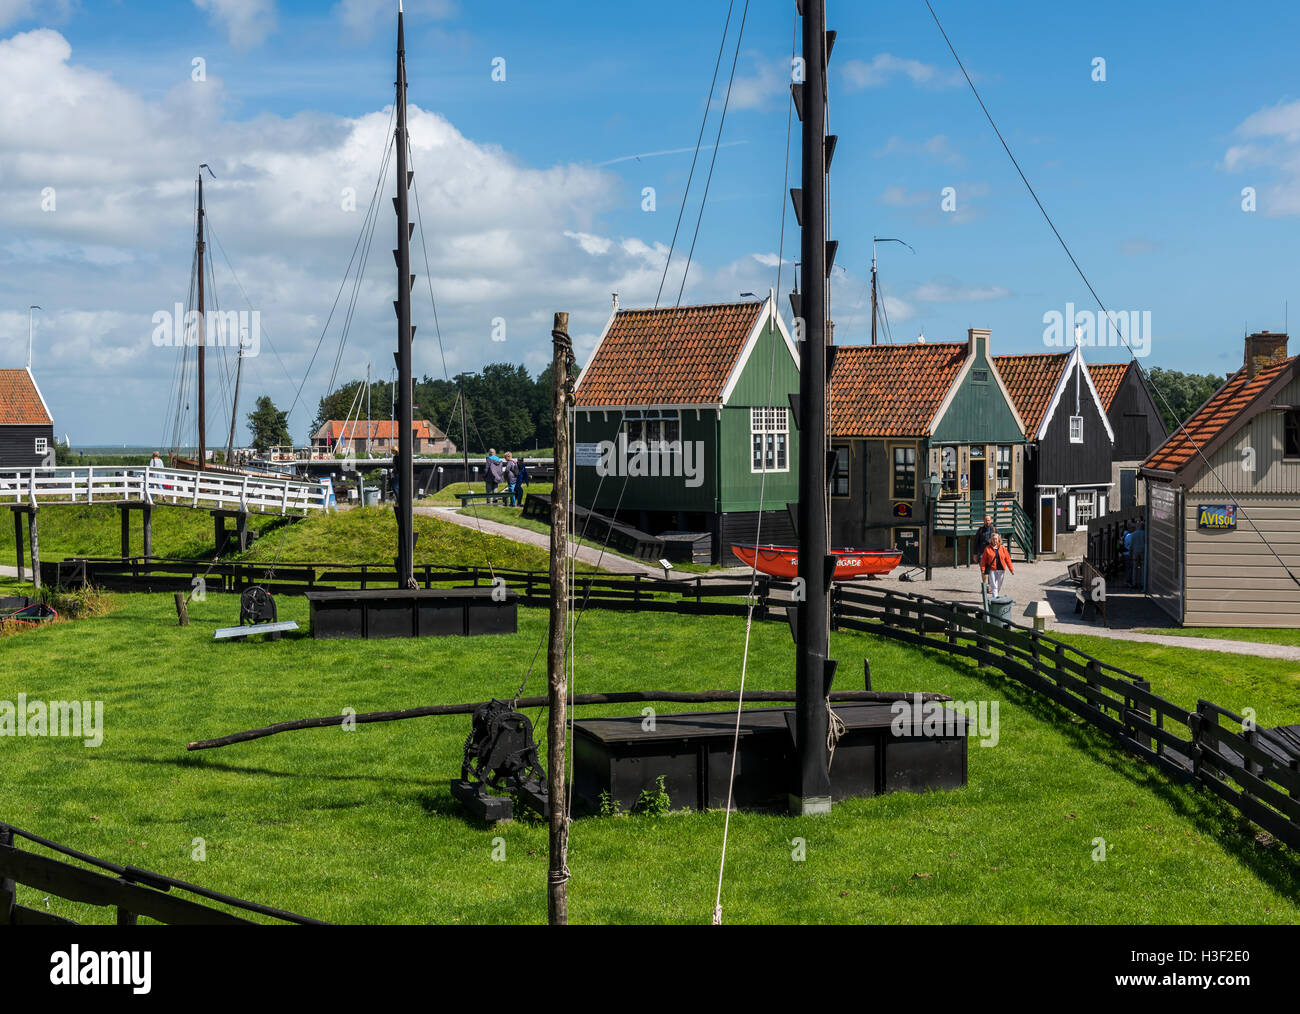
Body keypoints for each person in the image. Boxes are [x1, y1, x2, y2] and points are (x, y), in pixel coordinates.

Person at [980, 531, 1014, 599]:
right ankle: (995, 599)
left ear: (998, 539)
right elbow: (983, 560)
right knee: (993, 585)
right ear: (991, 540)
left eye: (996, 539)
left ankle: (995, 596)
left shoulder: (1002, 548)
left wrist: (1011, 569)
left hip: (1001, 569)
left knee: (998, 585)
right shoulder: (987, 548)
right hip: (992, 570)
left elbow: (1007, 559)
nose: (994, 540)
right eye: (993, 539)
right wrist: (983, 569)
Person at [1128, 520, 1146, 589]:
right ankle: (1142, 583)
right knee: (1142, 567)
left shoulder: (1134, 534)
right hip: (1142, 551)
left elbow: (1131, 545)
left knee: (1134, 568)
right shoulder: (1144, 533)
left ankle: (1134, 583)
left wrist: (1130, 553)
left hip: (1135, 552)